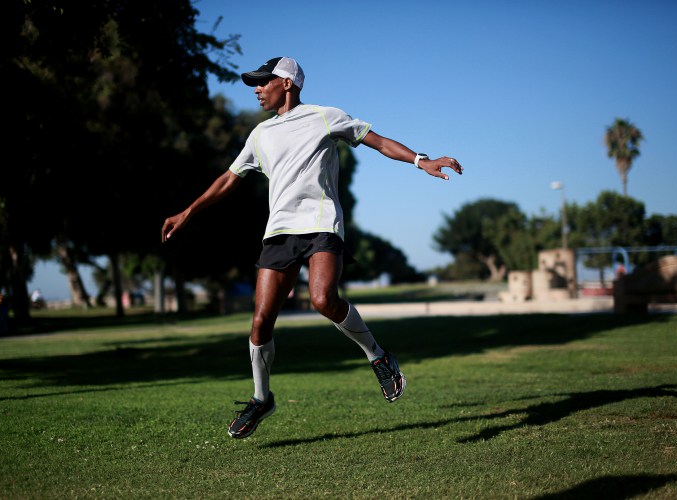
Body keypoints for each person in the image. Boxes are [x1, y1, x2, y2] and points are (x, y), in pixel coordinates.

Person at [161, 56, 463, 439]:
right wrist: (188, 211)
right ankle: (261, 398)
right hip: (279, 233)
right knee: (259, 324)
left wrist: (421, 160)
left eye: (262, 81)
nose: (256, 88)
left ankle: (378, 356)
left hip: (321, 225)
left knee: (323, 299)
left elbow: (379, 141)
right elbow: (228, 179)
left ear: (286, 83)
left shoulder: (325, 116)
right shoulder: (260, 135)